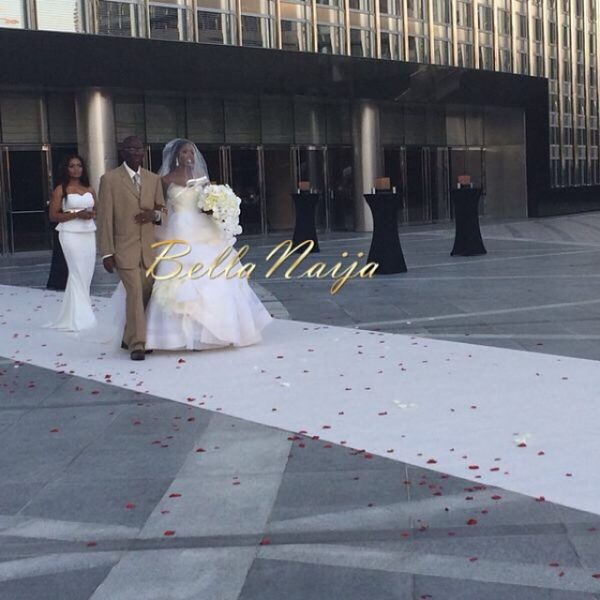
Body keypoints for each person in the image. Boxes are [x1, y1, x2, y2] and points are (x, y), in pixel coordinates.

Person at [144, 138, 272, 350]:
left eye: (191, 153)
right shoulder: (165, 179)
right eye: (185, 153)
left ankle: (224, 329)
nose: (189, 156)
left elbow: (208, 201)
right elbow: (163, 208)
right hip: (180, 228)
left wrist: (218, 207)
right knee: (180, 275)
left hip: (204, 228)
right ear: (176, 156)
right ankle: (175, 336)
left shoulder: (201, 178)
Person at [96, 136, 165, 361]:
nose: (136, 151)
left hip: (148, 249)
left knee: (145, 294)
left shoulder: (153, 179)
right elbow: (105, 218)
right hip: (123, 248)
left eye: (139, 148)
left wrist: (153, 215)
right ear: (122, 151)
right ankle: (138, 344)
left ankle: (128, 336)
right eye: (131, 148)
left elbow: (163, 211)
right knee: (134, 292)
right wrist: (107, 252)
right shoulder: (110, 180)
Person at [45, 155, 97, 331]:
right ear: (66, 169)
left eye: (79, 165)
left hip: (88, 233)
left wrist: (92, 214)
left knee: (87, 274)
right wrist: (76, 214)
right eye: (72, 166)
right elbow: (53, 215)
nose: (76, 169)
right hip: (70, 234)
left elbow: (97, 208)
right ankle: (83, 317)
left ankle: (75, 314)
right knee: (76, 273)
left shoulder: (89, 188)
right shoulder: (61, 189)